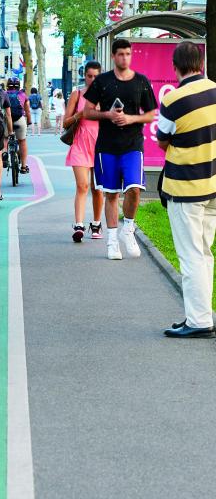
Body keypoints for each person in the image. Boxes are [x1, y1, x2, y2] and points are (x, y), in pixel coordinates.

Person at [157, 42, 216, 338]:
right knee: (205, 253)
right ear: (201, 63)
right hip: (213, 184)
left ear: (176, 66)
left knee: (191, 255)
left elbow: (162, 140)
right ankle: (202, 313)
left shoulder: (174, 100)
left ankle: (199, 320)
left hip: (185, 188)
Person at [83, 38, 158, 260]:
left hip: (133, 144)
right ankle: (112, 241)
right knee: (112, 194)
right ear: (114, 56)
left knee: (134, 189)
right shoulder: (102, 81)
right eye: (121, 54)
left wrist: (130, 118)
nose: (125, 58)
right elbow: (87, 111)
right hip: (107, 146)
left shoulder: (141, 82)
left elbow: (151, 113)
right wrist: (107, 115)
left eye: (128, 54)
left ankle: (129, 228)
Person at [63, 61, 104, 242]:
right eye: (89, 76)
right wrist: (80, 114)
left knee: (97, 189)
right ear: (85, 76)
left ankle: (96, 223)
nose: (93, 79)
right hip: (80, 144)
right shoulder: (77, 94)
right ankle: (79, 225)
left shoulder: (106, 95)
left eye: (96, 76)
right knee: (82, 186)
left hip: (101, 145)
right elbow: (65, 123)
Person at [5, 78, 32, 173]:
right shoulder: (22, 95)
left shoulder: (3, 94)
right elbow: (28, 111)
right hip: (19, 120)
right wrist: (29, 121)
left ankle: (4, 156)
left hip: (6, 121)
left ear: (7, 85)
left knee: (4, 138)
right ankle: (24, 166)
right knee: (22, 141)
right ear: (18, 86)